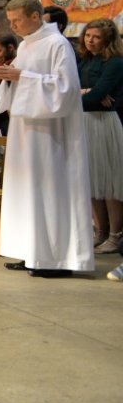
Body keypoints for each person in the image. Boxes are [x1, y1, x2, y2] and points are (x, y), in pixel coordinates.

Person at [0, 0, 94, 277]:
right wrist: (10, 77)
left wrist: (21, 77)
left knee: (50, 191)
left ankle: (56, 259)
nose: (12, 26)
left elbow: (65, 89)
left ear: (35, 16)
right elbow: (23, 79)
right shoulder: (26, 46)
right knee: (27, 191)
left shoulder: (58, 44)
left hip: (52, 134)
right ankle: (31, 253)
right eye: (10, 21)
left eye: (17, 20)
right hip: (26, 132)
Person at [76, 19, 123, 254]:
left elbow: (100, 94)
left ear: (107, 40)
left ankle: (115, 234)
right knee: (92, 180)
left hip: (104, 122)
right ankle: (99, 231)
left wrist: (88, 94)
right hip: (85, 122)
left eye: (96, 36)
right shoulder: (85, 61)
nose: (90, 40)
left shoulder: (114, 62)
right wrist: (86, 92)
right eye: (88, 35)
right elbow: (71, 89)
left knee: (110, 182)